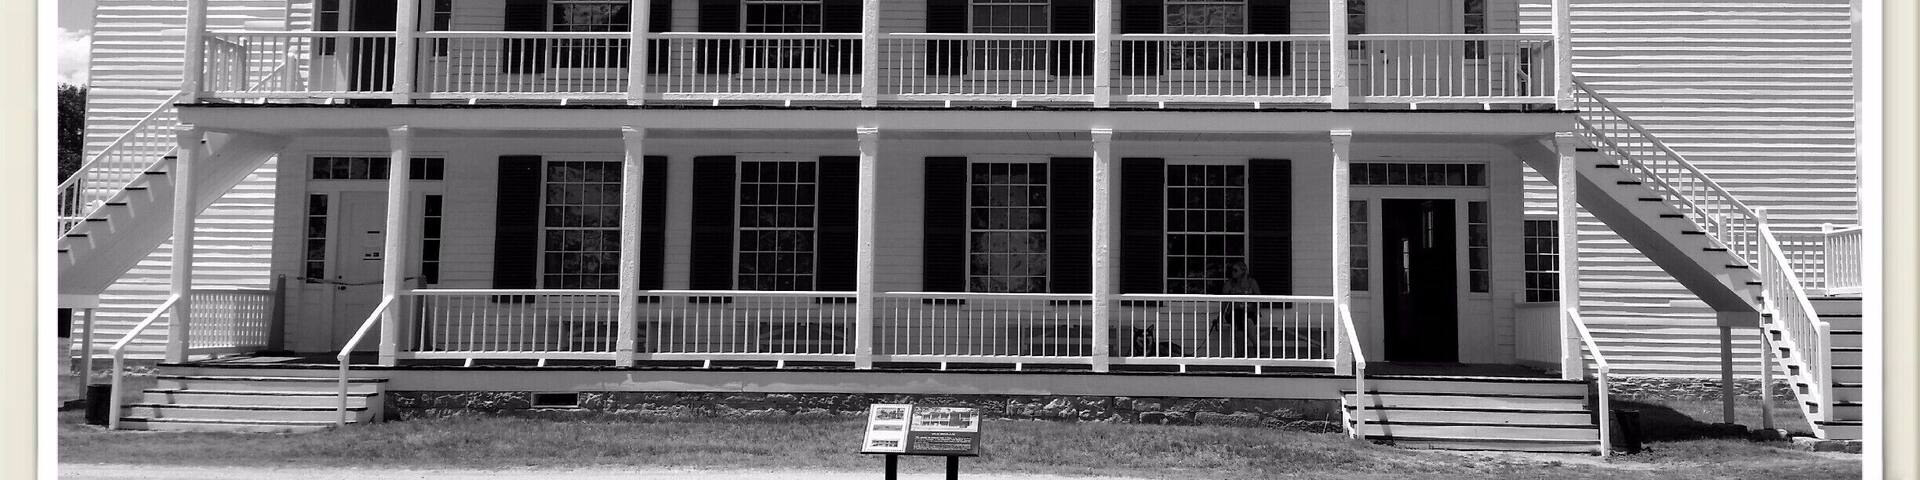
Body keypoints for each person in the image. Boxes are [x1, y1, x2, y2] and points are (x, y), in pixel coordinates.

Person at [1217, 260, 1261, 358]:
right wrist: (1220, 316)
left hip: (1249, 312)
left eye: (1235, 270)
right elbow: (1224, 302)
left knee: (1245, 322)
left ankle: (1240, 354)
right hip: (1233, 313)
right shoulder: (1229, 284)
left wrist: (1257, 311)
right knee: (1242, 319)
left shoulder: (1252, 282)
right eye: (1232, 270)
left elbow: (1259, 298)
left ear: (1243, 271)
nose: (1233, 272)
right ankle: (1257, 347)